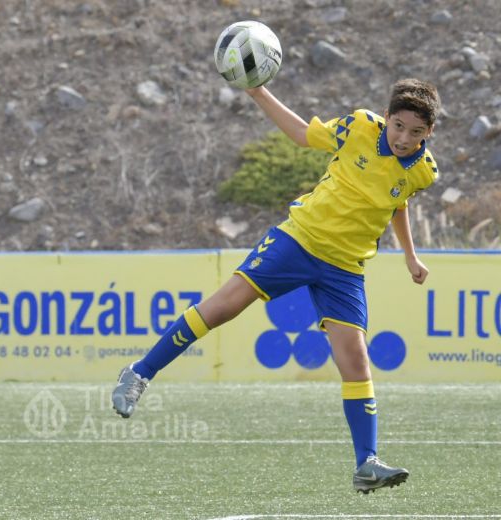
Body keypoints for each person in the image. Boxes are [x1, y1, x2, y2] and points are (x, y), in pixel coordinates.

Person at [112, 78, 440, 493]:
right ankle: (139, 373)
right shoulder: (359, 127)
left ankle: (366, 463)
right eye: (398, 125)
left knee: (355, 361)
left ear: (429, 133)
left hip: (345, 267)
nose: (403, 138)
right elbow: (303, 134)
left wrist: (410, 254)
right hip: (299, 240)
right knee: (223, 307)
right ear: (387, 117)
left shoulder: (425, 171)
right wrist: (256, 91)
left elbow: (397, 201)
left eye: (415, 132)